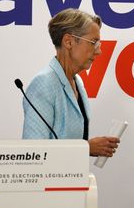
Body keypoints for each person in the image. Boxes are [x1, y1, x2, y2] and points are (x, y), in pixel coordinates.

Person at [22, 8, 119, 157]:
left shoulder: (77, 81)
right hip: (50, 180)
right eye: (93, 42)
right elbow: (33, 151)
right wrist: (85, 147)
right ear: (68, 42)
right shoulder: (44, 84)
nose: (98, 51)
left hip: (72, 178)